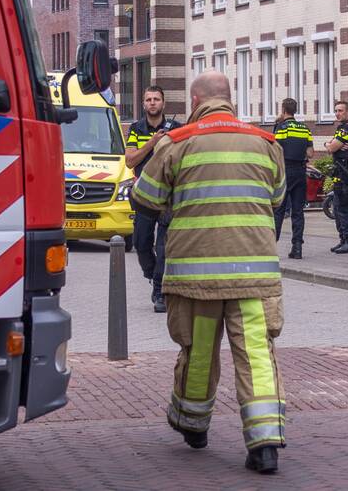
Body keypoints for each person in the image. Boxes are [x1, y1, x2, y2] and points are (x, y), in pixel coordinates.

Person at [131, 71, 287, 475]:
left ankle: (192, 424)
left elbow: (144, 200)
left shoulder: (176, 142)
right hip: (254, 273)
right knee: (256, 353)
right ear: (230, 99)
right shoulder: (266, 144)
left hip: (195, 276)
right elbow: (277, 198)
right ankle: (265, 442)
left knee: (199, 350)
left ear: (197, 100)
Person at [125, 86, 182, 313]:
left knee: (164, 245)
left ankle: (160, 290)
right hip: (144, 194)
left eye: (156, 99)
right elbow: (130, 161)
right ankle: (151, 273)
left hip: (168, 195)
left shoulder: (177, 129)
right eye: (148, 99)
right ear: (143, 103)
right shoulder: (136, 129)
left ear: (163, 103)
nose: (152, 103)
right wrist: (152, 143)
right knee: (141, 241)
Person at [272, 98, 314, 259]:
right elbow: (310, 153)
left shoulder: (282, 128)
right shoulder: (304, 128)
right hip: (300, 172)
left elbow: (275, 149)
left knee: (279, 211)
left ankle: (271, 247)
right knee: (298, 211)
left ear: (283, 110)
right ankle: (297, 248)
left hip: (285, 171)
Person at [324, 100, 348, 254]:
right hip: (342, 171)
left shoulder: (347, 127)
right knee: (338, 205)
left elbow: (333, 147)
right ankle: (343, 239)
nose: (337, 113)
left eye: (340, 110)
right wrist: (332, 145)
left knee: (343, 206)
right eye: (336, 110)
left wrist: (330, 145)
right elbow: (334, 146)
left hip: (345, 172)